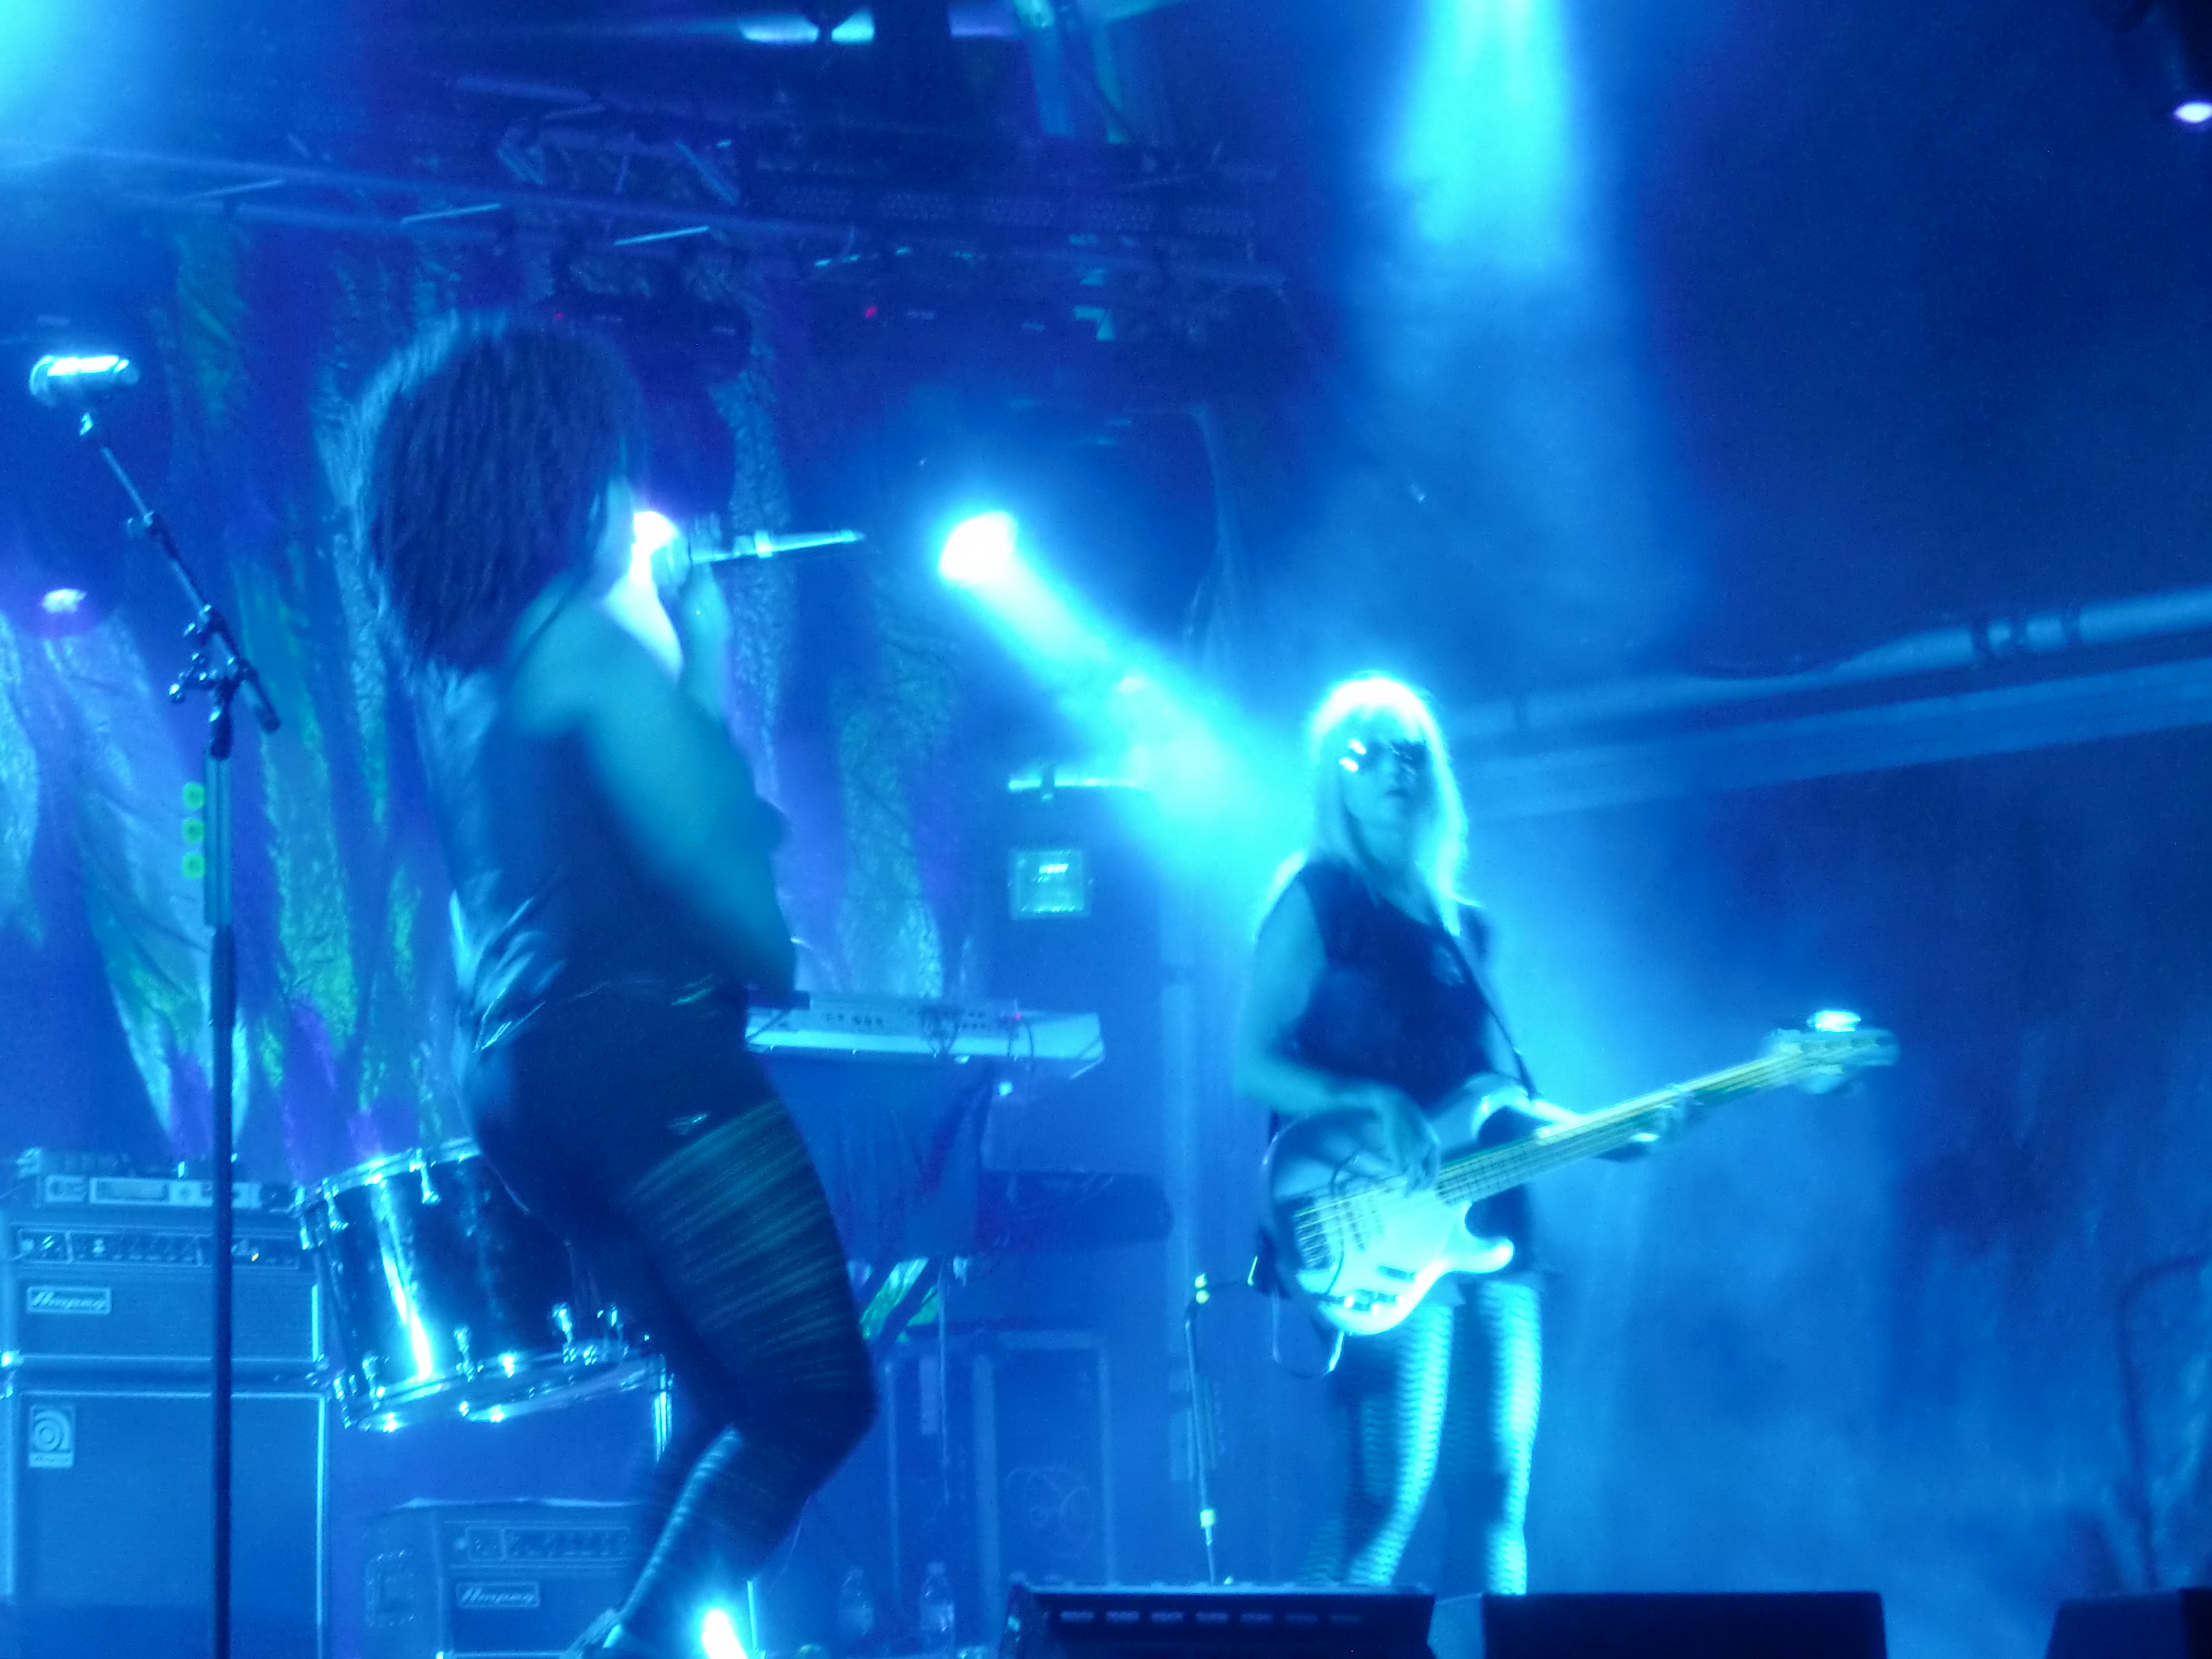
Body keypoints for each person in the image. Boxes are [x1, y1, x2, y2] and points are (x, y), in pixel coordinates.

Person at [353, 315, 874, 1659]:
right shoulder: (578, 648)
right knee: (813, 1396)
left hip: (531, 1083)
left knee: (721, 1401)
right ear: (558, 478)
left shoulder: (468, 680)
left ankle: (636, 1638)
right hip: (644, 1060)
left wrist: (692, 656)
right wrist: (703, 659)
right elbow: (723, 879)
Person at [1238, 672, 1654, 1595]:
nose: (1393, 768)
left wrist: (1602, 1133)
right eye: (1366, 752)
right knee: (1383, 1504)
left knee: (1496, 1501)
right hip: (1379, 1222)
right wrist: (1367, 1102)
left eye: (1411, 752)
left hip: (1494, 1227)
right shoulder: (1321, 899)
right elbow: (1253, 1061)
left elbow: (1495, 1094)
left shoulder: (1467, 929)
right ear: (1333, 777)